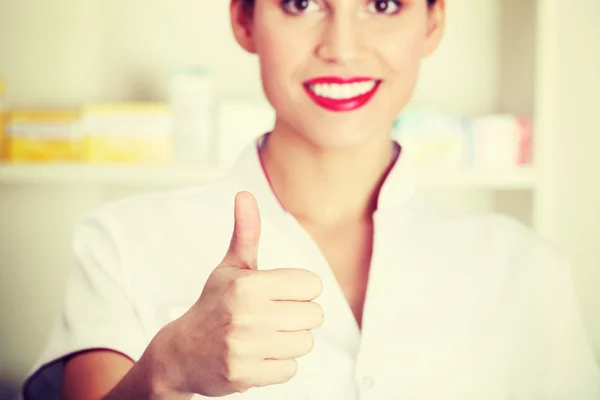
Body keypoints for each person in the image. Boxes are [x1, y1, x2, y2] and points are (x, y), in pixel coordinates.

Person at [23, 0, 600, 399]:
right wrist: (167, 372)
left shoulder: (528, 269)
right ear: (244, 20)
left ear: (433, 22)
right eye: (301, 2)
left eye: (382, 4)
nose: (341, 48)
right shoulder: (124, 240)